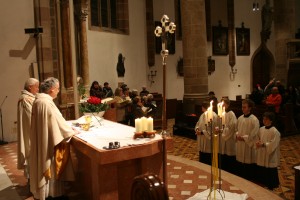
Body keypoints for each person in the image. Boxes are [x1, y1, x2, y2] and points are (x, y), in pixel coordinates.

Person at [29, 77, 77, 200]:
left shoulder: (38, 100)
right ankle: (52, 194)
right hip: (49, 144)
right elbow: (59, 123)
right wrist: (71, 131)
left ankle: (45, 193)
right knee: (50, 166)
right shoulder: (47, 103)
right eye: (57, 88)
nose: (58, 91)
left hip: (42, 140)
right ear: (51, 90)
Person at [17, 78, 39, 180]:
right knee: (31, 153)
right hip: (31, 132)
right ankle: (32, 181)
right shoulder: (25, 99)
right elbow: (31, 117)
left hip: (32, 130)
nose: (38, 89)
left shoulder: (29, 97)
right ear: (30, 87)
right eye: (36, 87)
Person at [235, 99, 260, 180]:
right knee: (241, 161)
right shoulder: (240, 118)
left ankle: (250, 178)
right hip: (240, 143)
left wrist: (244, 138)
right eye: (242, 107)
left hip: (249, 144)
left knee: (249, 162)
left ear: (249, 108)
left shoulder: (254, 119)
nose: (243, 109)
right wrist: (237, 135)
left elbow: (254, 133)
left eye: (245, 107)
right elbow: (236, 129)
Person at [255, 112, 280, 190]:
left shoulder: (275, 131)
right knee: (262, 167)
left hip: (270, 154)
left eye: (266, 119)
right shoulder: (261, 129)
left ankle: (271, 185)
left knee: (270, 169)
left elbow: (273, 144)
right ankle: (262, 182)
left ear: (271, 120)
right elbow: (257, 138)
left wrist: (264, 144)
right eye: (263, 119)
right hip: (262, 153)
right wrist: (258, 142)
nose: (264, 120)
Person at [220, 98, 237, 173]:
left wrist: (223, 132)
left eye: (224, 104)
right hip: (223, 137)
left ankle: (231, 170)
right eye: (221, 104)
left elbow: (232, 127)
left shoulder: (231, 114)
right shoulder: (221, 113)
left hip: (229, 138)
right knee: (223, 154)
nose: (222, 105)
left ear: (228, 104)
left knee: (229, 154)